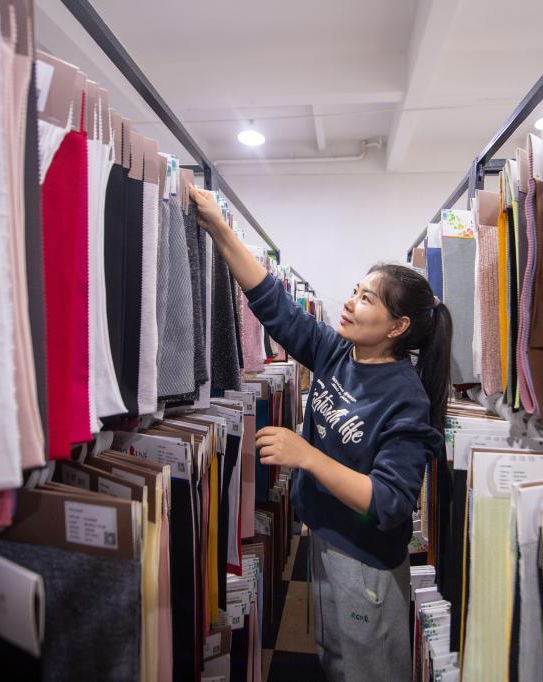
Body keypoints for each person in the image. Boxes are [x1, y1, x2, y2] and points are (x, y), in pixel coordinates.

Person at [190, 186, 452, 681]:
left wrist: (307, 455)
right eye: (356, 290)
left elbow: (390, 501)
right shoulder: (337, 353)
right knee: (335, 661)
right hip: (327, 541)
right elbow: (273, 303)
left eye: (366, 299)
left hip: (366, 563)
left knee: (366, 672)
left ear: (397, 326)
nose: (350, 302)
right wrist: (218, 228)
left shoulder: (406, 399)